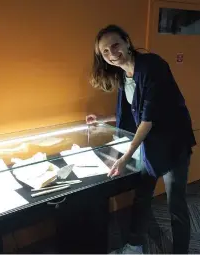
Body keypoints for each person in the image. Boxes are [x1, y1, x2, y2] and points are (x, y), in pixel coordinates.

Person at [86, 24, 196, 254]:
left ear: (127, 41)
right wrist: (102, 121)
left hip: (172, 144)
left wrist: (126, 156)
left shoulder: (152, 66)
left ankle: (182, 251)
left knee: (175, 204)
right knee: (142, 197)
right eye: (104, 52)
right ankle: (135, 246)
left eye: (115, 45)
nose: (111, 54)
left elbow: (148, 118)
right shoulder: (124, 74)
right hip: (149, 146)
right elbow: (130, 112)